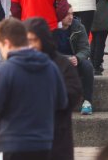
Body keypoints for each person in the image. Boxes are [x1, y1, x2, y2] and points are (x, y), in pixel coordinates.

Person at [0, 18, 67, 160]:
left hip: (12, 142)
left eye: (0, 47)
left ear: (7, 43)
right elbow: (62, 102)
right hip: (44, 142)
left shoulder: (6, 69)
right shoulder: (50, 66)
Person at [24, 17, 82, 160]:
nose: (30, 46)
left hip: (56, 133)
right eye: (27, 41)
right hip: (27, 136)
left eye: (34, 40)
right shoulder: (19, 64)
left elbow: (73, 94)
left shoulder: (61, 64)